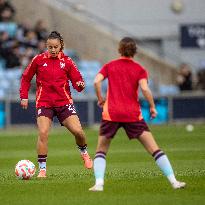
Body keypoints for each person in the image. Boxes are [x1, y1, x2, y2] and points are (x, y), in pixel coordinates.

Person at [89, 37, 186, 191]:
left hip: (111, 113)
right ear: (135, 51)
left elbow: (96, 81)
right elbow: (145, 89)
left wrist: (100, 98)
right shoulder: (139, 69)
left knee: (101, 150)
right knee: (154, 149)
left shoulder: (110, 66)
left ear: (119, 49)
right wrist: (153, 107)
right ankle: (174, 181)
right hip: (132, 114)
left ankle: (99, 183)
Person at [19, 31, 93, 178]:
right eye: (50, 47)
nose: (52, 50)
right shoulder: (38, 60)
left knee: (79, 132)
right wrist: (24, 96)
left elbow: (78, 83)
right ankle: (42, 170)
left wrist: (80, 85)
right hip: (44, 103)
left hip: (64, 103)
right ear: (46, 46)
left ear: (61, 46)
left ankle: (84, 153)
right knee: (43, 133)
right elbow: (26, 78)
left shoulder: (68, 62)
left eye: (55, 47)